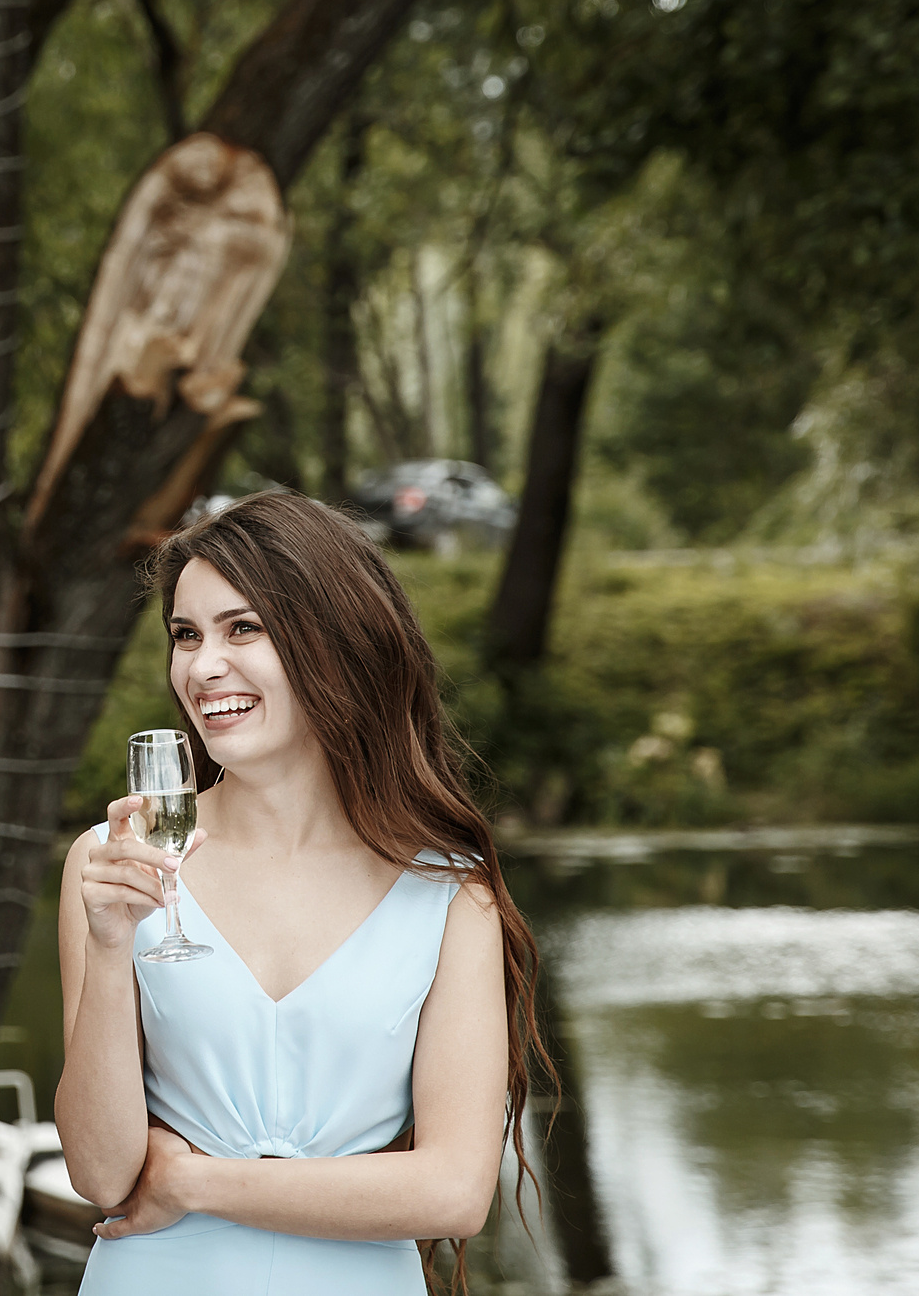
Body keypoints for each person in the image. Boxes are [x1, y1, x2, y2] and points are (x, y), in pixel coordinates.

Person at [56, 489, 548, 1294]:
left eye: (242, 627)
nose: (202, 665)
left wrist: (195, 1182)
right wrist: (112, 947)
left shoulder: (450, 893)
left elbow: (455, 1193)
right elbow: (103, 1175)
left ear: (337, 642)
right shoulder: (117, 865)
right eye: (186, 635)